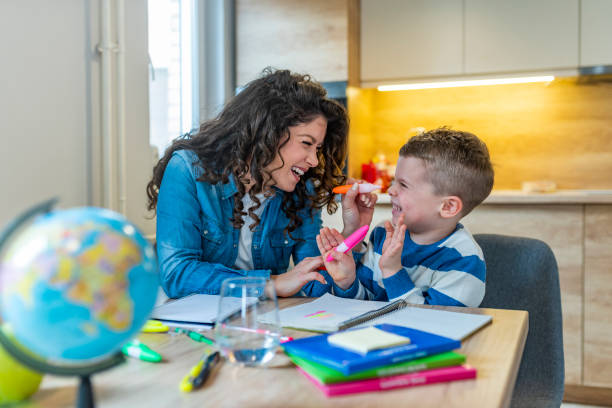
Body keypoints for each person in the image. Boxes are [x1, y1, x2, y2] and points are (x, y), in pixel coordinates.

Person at [146, 69, 376, 299]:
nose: (314, 160)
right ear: (268, 132)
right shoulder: (186, 170)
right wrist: (271, 284)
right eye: (306, 143)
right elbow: (177, 274)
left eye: (317, 148)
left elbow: (315, 282)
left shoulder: (300, 189)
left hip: (265, 324)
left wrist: (350, 235)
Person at [317, 127, 494, 306]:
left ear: (448, 206)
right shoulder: (383, 234)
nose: (391, 190)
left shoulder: (464, 261)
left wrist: (393, 271)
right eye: (394, 181)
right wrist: (346, 282)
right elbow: (365, 305)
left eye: (403, 184)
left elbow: (433, 325)